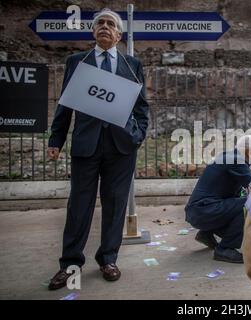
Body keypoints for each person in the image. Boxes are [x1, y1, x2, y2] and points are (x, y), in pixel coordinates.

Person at [47, 8, 149, 290]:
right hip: (86, 144)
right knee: (79, 206)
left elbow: (142, 107)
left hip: (121, 147)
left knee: (115, 205)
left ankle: (108, 259)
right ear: (94, 31)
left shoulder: (132, 64)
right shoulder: (77, 61)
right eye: (100, 23)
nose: (105, 26)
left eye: (111, 24)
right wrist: (56, 139)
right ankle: (70, 264)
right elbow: (65, 103)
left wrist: (137, 135)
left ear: (119, 34)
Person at [185, 135, 251, 263]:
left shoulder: (229, 156)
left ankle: (206, 233)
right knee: (249, 205)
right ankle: (225, 249)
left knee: (239, 200)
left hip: (199, 212)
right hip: (204, 211)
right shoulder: (236, 160)